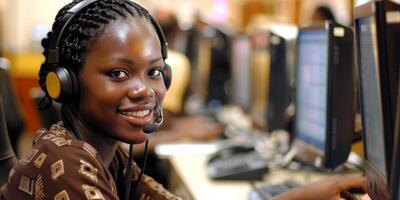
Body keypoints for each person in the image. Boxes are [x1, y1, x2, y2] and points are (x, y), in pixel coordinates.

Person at [0, 0, 367, 199]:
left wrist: (306, 194)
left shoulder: (107, 157)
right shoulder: (66, 163)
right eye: (118, 73)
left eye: (155, 72)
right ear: (64, 82)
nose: (144, 89)